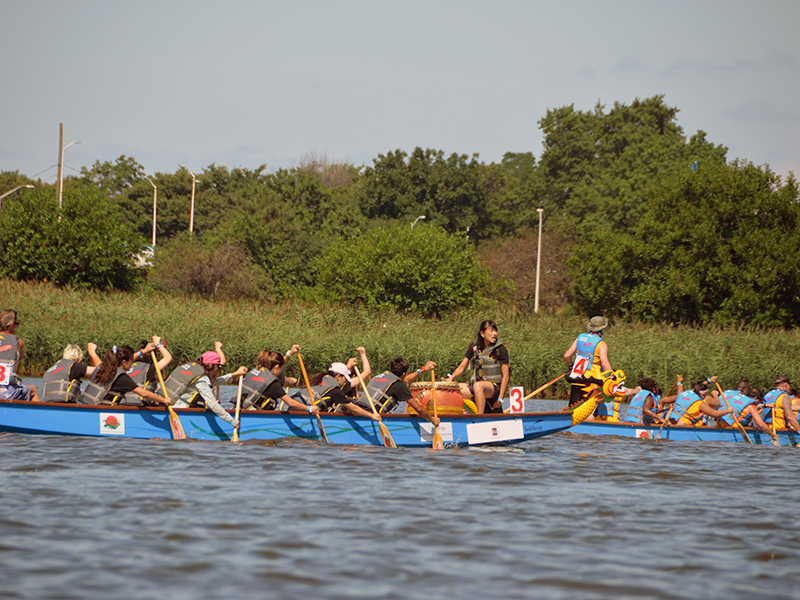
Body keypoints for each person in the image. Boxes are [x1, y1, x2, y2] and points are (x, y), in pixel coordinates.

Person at [168, 349, 247, 427]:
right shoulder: (202, 379)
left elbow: (213, 383)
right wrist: (231, 420)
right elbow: (212, 404)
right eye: (217, 366)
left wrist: (234, 374)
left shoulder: (193, 370)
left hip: (171, 406)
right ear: (210, 365)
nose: (218, 369)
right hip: (181, 412)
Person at [446, 320, 510, 414]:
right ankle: (457, 415)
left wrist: (500, 399)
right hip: (477, 385)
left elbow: (506, 376)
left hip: (494, 388)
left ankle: (479, 417)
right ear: (482, 333)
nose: (494, 334)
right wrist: (451, 378)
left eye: (495, 331)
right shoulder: (474, 347)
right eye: (491, 331)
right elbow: (462, 366)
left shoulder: (500, 349)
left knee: (478, 386)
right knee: (453, 389)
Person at [77, 345, 172, 407]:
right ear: (124, 362)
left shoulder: (102, 367)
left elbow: (121, 360)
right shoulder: (121, 377)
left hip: (82, 406)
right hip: (99, 412)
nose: (132, 363)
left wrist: (143, 351)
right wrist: (164, 400)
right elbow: (144, 393)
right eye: (131, 361)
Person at [356, 357, 439, 426]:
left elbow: (405, 380)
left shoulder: (380, 376)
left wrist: (423, 369)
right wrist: (432, 420)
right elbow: (419, 409)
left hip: (357, 410)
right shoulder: (399, 386)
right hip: (370, 416)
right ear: (403, 374)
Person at [240, 350, 320, 414]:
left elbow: (275, 363)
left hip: (237, 410)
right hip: (251, 414)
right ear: (277, 367)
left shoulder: (256, 370)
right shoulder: (272, 383)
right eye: (281, 369)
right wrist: (310, 408)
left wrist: (290, 354)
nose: (281, 372)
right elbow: (291, 403)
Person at [564, 316, 612, 409]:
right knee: (589, 410)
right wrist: (612, 377)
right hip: (591, 381)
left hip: (576, 377)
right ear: (602, 329)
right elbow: (605, 364)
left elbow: (567, 356)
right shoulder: (601, 344)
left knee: (573, 408)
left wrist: (571, 366)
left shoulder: (580, 338)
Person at [307, 362, 380, 420]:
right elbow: (353, 409)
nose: (345, 382)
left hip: (303, 407)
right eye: (345, 379)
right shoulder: (334, 389)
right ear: (338, 376)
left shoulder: (318, 379)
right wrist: (372, 416)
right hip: (308, 413)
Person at [0, 309, 40, 402]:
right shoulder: (19, 343)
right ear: (11, 325)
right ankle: (39, 416)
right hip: (6, 392)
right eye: (16, 325)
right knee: (33, 390)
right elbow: (19, 358)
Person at [122, 336, 172, 405]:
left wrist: (143, 351)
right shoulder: (150, 369)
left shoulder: (126, 366)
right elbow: (168, 358)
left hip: (123, 404)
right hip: (141, 405)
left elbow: (125, 360)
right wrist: (158, 344)